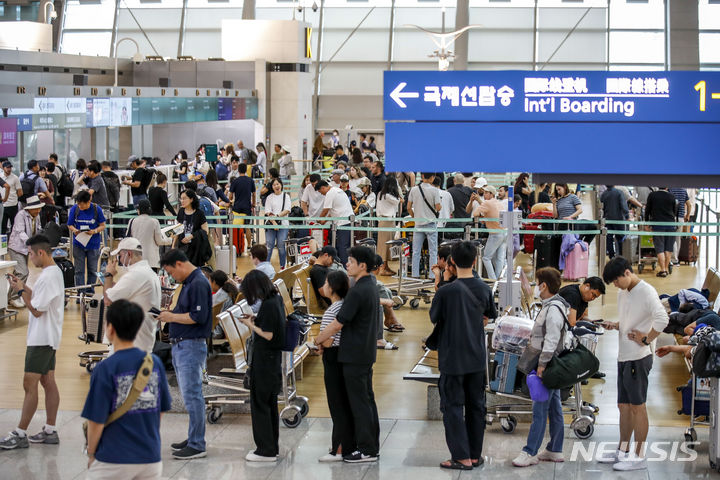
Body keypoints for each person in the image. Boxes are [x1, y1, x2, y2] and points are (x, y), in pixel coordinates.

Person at [82, 300, 172, 480]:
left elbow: (96, 421)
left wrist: (91, 453)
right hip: (150, 458)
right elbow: (160, 410)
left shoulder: (105, 368)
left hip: (113, 458)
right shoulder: (154, 363)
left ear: (110, 329)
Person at [430, 241, 496, 470]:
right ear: (475, 261)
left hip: (452, 358)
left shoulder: (446, 292)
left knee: (453, 407)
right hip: (477, 356)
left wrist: (442, 282)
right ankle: (475, 455)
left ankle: (461, 457)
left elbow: (434, 317)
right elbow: (489, 315)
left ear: (452, 263)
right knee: (477, 406)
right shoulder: (484, 288)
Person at [599, 256, 669, 471]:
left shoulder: (646, 291)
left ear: (627, 273)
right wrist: (617, 325)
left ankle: (639, 456)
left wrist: (647, 338)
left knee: (637, 407)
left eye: (617, 281)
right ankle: (623, 450)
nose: (616, 286)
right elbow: (632, 319)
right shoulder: (624, 292)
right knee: (624, 406)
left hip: (639, 357)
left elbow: (662, 319)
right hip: (624, 355)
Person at [313, 246, 381, 463]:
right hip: (364, 352)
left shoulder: (359, 290)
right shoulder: (369, 286)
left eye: (351, 261)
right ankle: (371, 445)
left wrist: (317, 340)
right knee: (366, 400)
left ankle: (367, 449)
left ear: (363, 265)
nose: (347, 264)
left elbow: (337, 324)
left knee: (359, 403)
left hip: (354, 354)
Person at [0, 235, 64, 450]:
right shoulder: (53, 273)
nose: (29, 258)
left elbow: (37, 310)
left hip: (41, 339)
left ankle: (20, 433)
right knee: (48, 381)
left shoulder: (48, 276)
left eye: (30, 254)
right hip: (49, 337)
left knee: (30, 384)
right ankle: (50, 430)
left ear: (41, 253)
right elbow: (40, 297)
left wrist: (19, 292)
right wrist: (24, 287)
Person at [512, 267, 569, 467]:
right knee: (553, 407)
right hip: (548, 363)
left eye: (537, 283)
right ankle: (555, 448)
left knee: (540, 408)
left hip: (546, 364)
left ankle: (530, 452)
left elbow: (552, 340)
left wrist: (543, 364)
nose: (535, 287)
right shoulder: (554, 305)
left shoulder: (553, 309)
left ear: (544, 285)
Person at [158, 249, 212, 460]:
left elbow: (198, 316)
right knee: (189, 395)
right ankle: (193, 437)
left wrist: (170, 317)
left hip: (190, 346)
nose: (172, 277)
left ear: (179, 264)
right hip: (183, 345)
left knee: (192, 395)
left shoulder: (198, 283)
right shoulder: (190, 282)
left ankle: (197, 444)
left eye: (171, 272)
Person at [238, 270, 286, 462]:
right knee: (269, 405)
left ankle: (265, 450)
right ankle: (270, 447)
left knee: (260, 405)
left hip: (264, 361)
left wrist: (249, 325)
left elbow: (268, 335)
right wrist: (255, 320)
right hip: (271, 361)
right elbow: (272, 325)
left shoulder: (269, 305)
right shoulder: (276, 300)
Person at [315, 270, 352, 462]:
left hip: (333, 358)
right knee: (343, 402)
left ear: (333, 287)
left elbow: (329, 341)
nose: (323, 286)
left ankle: (339, 448)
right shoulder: (346, 306)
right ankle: (343, 444)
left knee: (336, 404)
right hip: (343, 357)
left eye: (326, 283)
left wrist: (318, 342)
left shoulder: (332, 310)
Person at [104, 236, 162, 353]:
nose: (119, 260)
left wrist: (108, 275)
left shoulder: (136, 274)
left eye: (120, 256)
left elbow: (108, 300)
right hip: (143, 333)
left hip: (134, 337)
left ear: (128, 254)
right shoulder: (147, 271)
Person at [67, 190, 106, 292]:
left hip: (93, 245)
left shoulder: (97, 209)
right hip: (78, 244)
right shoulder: (75, 209)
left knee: (92, 270)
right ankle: (81, 293)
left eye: (82, 204)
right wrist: (75, 230)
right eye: (78, 204)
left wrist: (94, 231)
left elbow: (102, 225)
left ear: (89, 201)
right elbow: (69, 224)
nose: (80, 206)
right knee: (79, 270)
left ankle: (89, 293)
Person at [407, 173, 441, 279]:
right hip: (431, 223)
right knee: (433, 251)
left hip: (418, 224)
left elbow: (408, 207)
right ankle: (432, 275)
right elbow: (438, 207)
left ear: (422, 176)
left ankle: (415, 275)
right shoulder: (435, 190)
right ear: (432, 177)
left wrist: (415, 216)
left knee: (416, 251)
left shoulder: (414, 190)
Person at [8, 196, 43, 286]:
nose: (38, 211)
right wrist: (30, 242)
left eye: (39, 208)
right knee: (23, 273)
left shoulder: (37, 216)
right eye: (36, 209)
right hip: (16, 248)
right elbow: (20, 232)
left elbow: (38, 229)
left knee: (18, 274)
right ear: (29, 209)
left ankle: (11, 298)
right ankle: (14, 297)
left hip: (26, 249)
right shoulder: (20, 215)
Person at [316, 180, 354, 265]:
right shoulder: (337, 190)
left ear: (323, 188)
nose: (321, 194)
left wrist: (318, 220)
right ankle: (346, 266)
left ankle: (344, 268)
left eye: (320, 191)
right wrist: (324, 221)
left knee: (342, 247)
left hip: (342, 223)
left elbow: (326, 210)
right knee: (345, 246)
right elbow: (333, 211)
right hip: (347, 222)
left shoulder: (330, 193)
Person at [472, 185, 506, 280]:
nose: (485, 194)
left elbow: (475, 214)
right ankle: (499, 280)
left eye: (486, 193)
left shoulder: (487, 203)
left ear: (491, 194)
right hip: (504, 232)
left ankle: (492, 279)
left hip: (495, 233)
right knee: (499, 259)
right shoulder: (499, 203)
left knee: (486, 258)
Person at [644, 187, 677, 278]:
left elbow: (648, 210)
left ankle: (662, 270)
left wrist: (646, 222)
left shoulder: (652, 195)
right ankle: (665, 269)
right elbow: (675, 211)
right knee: (668, 248)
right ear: (667, 187)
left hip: (657, 224)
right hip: (671, 224)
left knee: (660, 248)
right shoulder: (672, 196)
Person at [174, 189, 211, 267]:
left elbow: (205, 231)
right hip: (183, 247)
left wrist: (192, 235)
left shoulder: (199, 213)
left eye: (184, 198)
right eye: (181, 198)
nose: (182, 201)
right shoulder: (181, 212)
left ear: (191, 199)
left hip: (196, 249)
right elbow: (177, 229)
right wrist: (173, 246)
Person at [375, 177, 402, 276]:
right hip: (387, 221)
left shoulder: (381, 194)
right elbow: (399, 200)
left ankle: (385, 267)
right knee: (385, 246)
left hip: (383, 221)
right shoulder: (389, 196)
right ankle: (382, 268)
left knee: (385, 245)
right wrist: (399, 190)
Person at [264, 178, 292, 269]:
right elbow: (267, 211)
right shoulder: (269, 197)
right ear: (272, 187)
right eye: (274, 184)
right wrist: (274, 222)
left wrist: (277, 217)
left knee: (281, 245)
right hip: (270, 224)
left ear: (281, 185)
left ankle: (282, 267)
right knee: (269, 245)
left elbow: (287, 210)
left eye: (278, 184)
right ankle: (266, 266)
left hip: (283, 224)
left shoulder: (286, 196)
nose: (276, 186)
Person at [228, 163, 256, 255]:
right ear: (246, 170)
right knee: (247, 227)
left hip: (237, 208)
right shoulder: (250, 180)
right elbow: (254, 194)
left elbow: (230, 196)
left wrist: (231, 200)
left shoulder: (235, 181)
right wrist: (253, 203)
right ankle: (249, 245)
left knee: (236, 227)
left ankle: (236, 245)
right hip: (247, 207)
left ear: (239, 171)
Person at [601, 186, 630, 259]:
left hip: (607, 218)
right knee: (620, 238)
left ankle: (611, 256)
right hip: (618, 219)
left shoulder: (604, 194)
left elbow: (602, 206)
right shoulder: (619, 192)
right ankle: (620, 255)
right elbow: (624, 205)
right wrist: (627, 216)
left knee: (609, 238)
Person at [669, 187, 690, 265]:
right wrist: (687, 215)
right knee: (678, 239)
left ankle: (673, 259)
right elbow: (689, 204)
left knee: (672, 238)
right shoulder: (683, 190)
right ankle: (676, 258)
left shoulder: (670, 190)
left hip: (671, 217)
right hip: (681, 218)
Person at [2, 160, 24, 234]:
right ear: (3, 168)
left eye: (10, 167)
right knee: (2, 225)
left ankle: (12, 242)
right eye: (7, 167)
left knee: (14, 225)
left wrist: (13, 197)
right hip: (3, 205)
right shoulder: (0, 177)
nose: (9, 169)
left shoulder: (15, 178)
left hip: (13, 205)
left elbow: (20, 192)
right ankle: (2, 243)